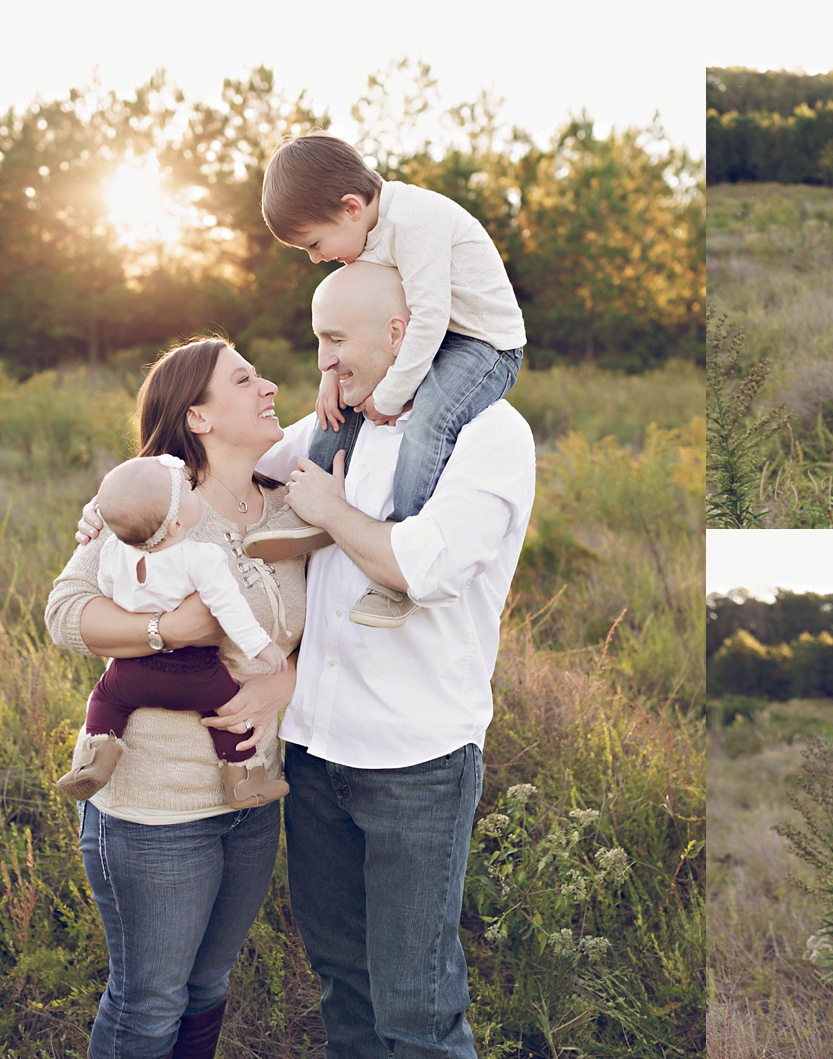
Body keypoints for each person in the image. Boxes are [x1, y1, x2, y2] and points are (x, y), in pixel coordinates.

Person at [262, 261, 533, 1057]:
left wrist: (330, 510)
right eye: (317, 340)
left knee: (416, 1009)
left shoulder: (490, 433)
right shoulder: (332, 424)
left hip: (415, 763)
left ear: (399, 333)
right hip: (313, 754)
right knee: (344, 988)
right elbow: (234, 467)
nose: (323, 361)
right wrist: (125, 502)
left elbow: (423, 566)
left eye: (334, 339)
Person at [47, 337, 307, 1059]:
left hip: (252, 796)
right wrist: (164, 629)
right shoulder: (151, 506)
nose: (270, 386)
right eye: (246, 378)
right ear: (198, 415)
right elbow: (66, 613)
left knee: (208, 984)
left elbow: (333, 630)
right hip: (154, 811)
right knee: (150, 1000)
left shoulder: (291, 507)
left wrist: (282, 681)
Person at [252, 130, 527, 628]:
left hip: (485, 344)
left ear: (352, 208)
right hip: (437, 335)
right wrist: (332, 374)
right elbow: (357, 316)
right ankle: (306, 504)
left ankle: (401, 540)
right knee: (339, 406)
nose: (314, 258)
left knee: (431, 416)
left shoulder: (417, 221)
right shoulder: (367, 231)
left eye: (314, 243)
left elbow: (427, 320)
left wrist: (392, 394)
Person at [56, 454, 290, 808]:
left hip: (131, 671)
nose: (196, 494)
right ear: (177, 526)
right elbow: (231, 610)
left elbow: (105, 591)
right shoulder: (201, 557)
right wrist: (262, 647)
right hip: (196, 674)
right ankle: (243, 779)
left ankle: (99, 757)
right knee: (230, 716)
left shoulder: (113, 552)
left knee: (104, 699)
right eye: (189, 492)